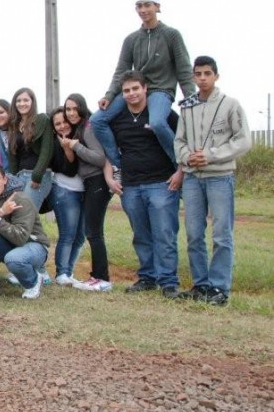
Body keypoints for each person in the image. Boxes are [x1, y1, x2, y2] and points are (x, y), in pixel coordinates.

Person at [174, 56, 251, 306]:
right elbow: (180, 141)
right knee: (194, 233)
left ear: (216, 76)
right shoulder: (188, 107)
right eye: (198, 74)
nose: (203, 78)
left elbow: (243, 141)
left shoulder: (230, 105)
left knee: (221, 234)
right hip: (193, 179)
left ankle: (219, 288)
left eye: (208, 73)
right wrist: (188, 158)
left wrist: (209, 155)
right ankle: (201, 284)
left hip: (219, 176)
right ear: (193, 77)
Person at [91, 0, 194, 169]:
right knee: (97, 120)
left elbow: (183, 69)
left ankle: (179, 162)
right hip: (135, 90)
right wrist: (109, 94)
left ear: (157, 7)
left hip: (161, 89)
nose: (143, 10)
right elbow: (121, 70)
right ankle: (119, 164)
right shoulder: (131, 39)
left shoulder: (172, 35)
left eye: (147, 5)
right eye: (139, 6)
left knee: (157, 123)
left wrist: (192, 99)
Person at [110, 71, 183, 298]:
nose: (131, 94)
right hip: (131, 186)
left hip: (162, 183)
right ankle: (147, 278)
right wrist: (110, 178)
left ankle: (168, 282)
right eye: (126, 91)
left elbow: (182, 142)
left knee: (164, 234)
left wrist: (181, 172)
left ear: (145, 89)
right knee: (141, 235)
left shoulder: (162, 115)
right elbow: (107, 151)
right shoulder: (117, 118)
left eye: (135, 89)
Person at [59, 94, 116, 293]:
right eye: (68, 109)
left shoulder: (89, 127)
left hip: (97, 181)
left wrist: (76, 146)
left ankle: (102, 278)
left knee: (94, 231)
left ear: (82, 108)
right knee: (92, 231)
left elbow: (100, 158)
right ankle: (97, 276)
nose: (71, 113)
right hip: (89, 182)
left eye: (75, 108)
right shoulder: (78, 129)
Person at [0, 163, 52, 300]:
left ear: (5, 180)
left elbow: (20, 237)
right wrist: (1, 213)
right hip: (10, 243)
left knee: (14, 259)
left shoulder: (20, 198)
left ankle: (33, 282)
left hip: (34, 245)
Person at [47, 107, 85, 286]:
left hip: (85, 191)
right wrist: (67, 149)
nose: (62, 126)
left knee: (80, 236)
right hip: (64, 190)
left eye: (64, 121)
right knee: (68, 234)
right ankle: (61, 272)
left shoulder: (81, 135)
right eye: (57, 124)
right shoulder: (55, 144)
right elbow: (69, 170)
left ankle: (68, 273)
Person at [6, 88, 54, 211]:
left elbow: (46, 150)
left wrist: (37, 175)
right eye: (18, 101)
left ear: (32, 102)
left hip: (37, 176)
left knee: (26, 214)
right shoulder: (14, 125)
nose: (22, 103)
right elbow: (13, 155)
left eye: (26, 100)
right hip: (20, 177)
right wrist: (12, 180)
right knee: (20, 216)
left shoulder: (42, 120)